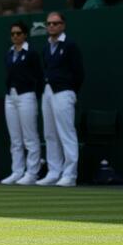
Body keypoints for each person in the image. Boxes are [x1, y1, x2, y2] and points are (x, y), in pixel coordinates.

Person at [38, 12, 83, 187]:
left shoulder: (70, 45)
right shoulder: (46, 48)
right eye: (49, 23)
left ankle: (70, 174)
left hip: (64, 92)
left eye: (55, 23)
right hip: (48, 91)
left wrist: (71, 90)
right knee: (50, 133)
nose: (51, 26)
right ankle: (54, 171)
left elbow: (79, 72)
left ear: (63, 25)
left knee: (66, 133)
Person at [0, 21, 43, 186]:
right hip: (10, 96)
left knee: (30, 137)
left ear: (25, 35)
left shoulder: (31, 53)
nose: (15, 36)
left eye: (18, 33)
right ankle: (17, 171)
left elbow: (39, 75)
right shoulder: (8, 53)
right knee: (15, 138)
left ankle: (32, 173)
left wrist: (33, 93)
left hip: (26, 95)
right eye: (13, 34)